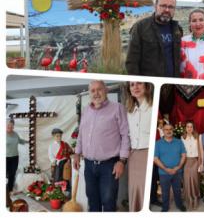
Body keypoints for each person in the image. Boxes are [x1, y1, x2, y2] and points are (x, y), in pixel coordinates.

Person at [74, 80, 130, 212]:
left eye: (99, 89)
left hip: (109, 165)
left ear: (106, 90)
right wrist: (77, 153)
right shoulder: (86, 110)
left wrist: (122, 161)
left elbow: (125, 135)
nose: (96, 93)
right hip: (88, 164)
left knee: (108, 201)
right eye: (92, 90)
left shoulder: (117, 108)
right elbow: (81, 133)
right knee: (92, 201)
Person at [126, 0, 183, 77]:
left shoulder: (177, 29)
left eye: (171, 7)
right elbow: (131, 61)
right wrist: (139, 84)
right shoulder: (140, 27)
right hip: (150, 86)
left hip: (173, 85)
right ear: (155, 6)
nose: (167, 10)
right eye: (163, 6)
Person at [125, 82, 153, 212]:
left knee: (144, 189)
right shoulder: (130, 111)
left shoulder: (153, 107)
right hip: (133, 155)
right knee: (134, 188)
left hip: (147, 153)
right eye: (132, 85)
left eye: (139, 84)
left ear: (146, 86)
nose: (135, 87)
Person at [154, 123, 187, 212]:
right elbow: (155, 159)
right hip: (164, 173)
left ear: (173, 131)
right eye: (166, 129)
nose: (168, 131)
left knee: (177, 190)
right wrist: (166, 169)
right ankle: (165, 207)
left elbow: (184, 155)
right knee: (165, 192)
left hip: (177, 171)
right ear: (163, 131)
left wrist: (178, 167)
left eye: (170, 129)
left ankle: (179, 205)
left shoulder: (179, 142)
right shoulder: (158, 143)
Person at [181, 120, 204, 210]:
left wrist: (201, 163)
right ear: (185, 128)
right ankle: (188, 199)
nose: (189, 128)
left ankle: (195, 198)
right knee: (187, 181)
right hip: (186, 161)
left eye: (191, 127)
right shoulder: (182, 138)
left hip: (195, 161)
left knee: (194, 181)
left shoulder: (198, 137)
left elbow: (201, 150)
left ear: (193, 128)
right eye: (187, 127)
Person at [6, 118, 28, 194]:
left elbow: (19, 140)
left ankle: (10, 190)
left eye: (12, 126)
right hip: (5, 157)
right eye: (8, 125)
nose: (10, 127)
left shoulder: (15, 134)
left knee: (12, 174)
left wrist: (28, 141)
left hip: (15, 157)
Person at [48, 128, 73, 193]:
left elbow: (70, 152)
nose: (59, 137)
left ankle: (67, 190)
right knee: (58, 177)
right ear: (53, 136)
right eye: (57, 136)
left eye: (60, 136)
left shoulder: (65, 144)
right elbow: (50, 155)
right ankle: (59, 191)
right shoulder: (51, 146)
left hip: (66, 163)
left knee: (66, 176)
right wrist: (53, 161)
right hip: (58, 163)